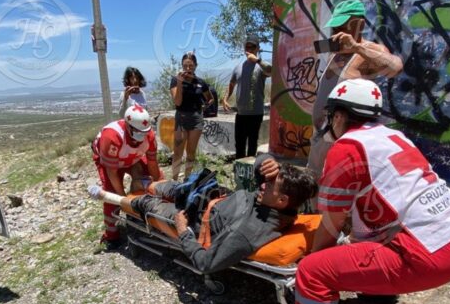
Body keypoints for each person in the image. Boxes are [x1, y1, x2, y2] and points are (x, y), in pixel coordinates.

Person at [278, 79, 450, 304]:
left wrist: (312, 266)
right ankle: (378, 295)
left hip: (428, 255)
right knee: (368, 238)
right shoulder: (394, 136)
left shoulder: (346, 148)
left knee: (313, 271)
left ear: (339, 115)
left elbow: (331, 222)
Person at [89, 155, 317, 273]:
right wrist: (266, 163)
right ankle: (143, 182)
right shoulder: (273, 202)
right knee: (165, 187)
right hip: (208, 194)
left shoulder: (250, 232)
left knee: (148, 204)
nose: (263, 185)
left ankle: (112, 198)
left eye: (270, 184)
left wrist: (182, 231)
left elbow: (206, 263)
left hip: (193, 218)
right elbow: (262, 170)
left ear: (282, 200)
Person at [308, 0, 403, 178]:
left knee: (337, 193)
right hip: (321, 140)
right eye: (334, 28)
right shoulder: (335, 54)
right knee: (313, 191)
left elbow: (395, 67)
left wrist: (357, 47)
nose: (336, 32)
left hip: (343, 142)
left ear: (358, 24)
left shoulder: (368, 51)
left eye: (341, 27)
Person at [91, 104, 162, 248]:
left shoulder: (149, 135)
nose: (141, 136)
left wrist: (159, 185)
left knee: (154, 181)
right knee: (111, 196)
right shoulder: (112, 137)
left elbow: (152, 163)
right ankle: (112, 236)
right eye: (138, 133)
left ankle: (149, 217)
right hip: (111, 162)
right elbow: (111, 172)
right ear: (128, 126)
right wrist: (122, 200)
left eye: (144, 132)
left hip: (132, 158)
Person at [222, 35, 272, 159]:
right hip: (241, 113)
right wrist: (224, 99)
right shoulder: (238, 67)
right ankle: (239, 170)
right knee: (239, 144)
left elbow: (271, 71)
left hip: (256, 113)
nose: (249, 49)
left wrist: (257, 60)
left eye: (252, 46)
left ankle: (250, 171)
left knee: (252, 145)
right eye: (247, 46)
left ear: (258, 48)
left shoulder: (260, 67)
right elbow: (232, 83)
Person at [170, 52, 214, 180]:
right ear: (182, 66)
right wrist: (179, 82)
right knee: (178, 152)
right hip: (181, 118)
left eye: (191, 66)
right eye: (185, 66)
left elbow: (210, 98)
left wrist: (205, 106)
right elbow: (177, 101)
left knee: (191, 152)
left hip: (196, 119)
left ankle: (187, 179)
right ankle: (174, 180)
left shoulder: (200, 82)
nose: (188, 69)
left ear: (195, 66)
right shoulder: (175, 80)